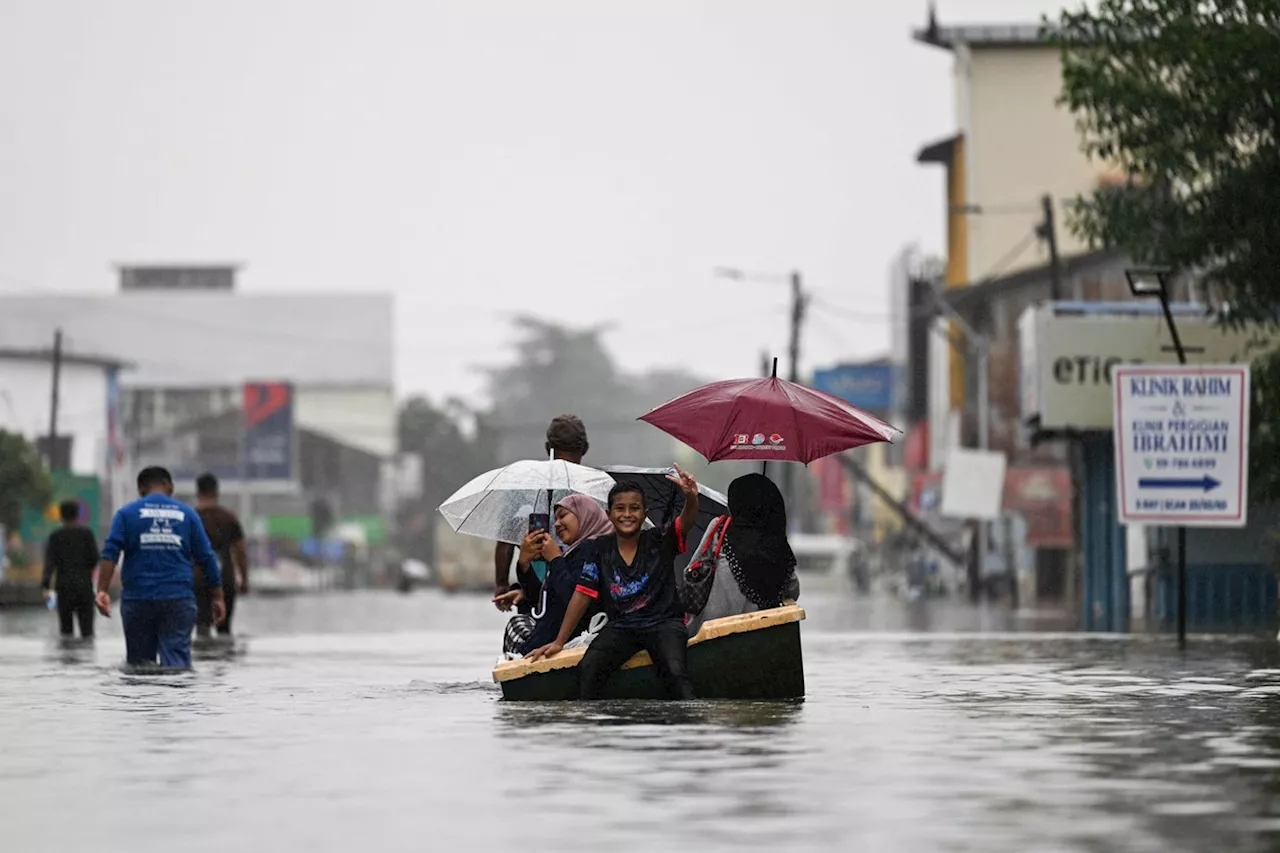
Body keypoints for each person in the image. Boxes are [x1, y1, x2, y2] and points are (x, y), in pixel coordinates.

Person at [528, 466, 700, 701]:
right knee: (588, 670)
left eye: (634, 509)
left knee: (675, 672)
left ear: (644, 513)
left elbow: (686, 521)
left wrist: (690, 496)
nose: (627, 514)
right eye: (620, 509)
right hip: (622, 626)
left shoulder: (660, 539)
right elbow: (582, 594)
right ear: (609, 514)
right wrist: (559, 641)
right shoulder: (599, 548)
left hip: (664, 624)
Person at [94, 466, 224, 669]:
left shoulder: (126, 515)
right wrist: (217, 596)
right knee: (177, 666)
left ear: (141, 489)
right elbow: (206, 557)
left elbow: (110, 553)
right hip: (178, 600)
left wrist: (101, 590)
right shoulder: (188, 515)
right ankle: (173, 699)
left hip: (138, 600)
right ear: (169, 486)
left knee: (140, 666)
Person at [493, 414, 589, 615]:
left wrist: (501, 583)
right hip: (579, 594)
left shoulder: (523, 487)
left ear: (548, 449)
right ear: (585, 449)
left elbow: (505, 541)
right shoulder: (593, 490)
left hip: (534, 591)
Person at [493, 494, 612, 656]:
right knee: (520, 622)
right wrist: (524, 563)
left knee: (516, 625)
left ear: (585, 516)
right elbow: (544, 601)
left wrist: (555, 559)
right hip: (555, 632)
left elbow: (574, 599)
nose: (557, 524)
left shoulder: (590, 550)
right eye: (555, 519)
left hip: (571, 637)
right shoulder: (575, 552)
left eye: (563, 516)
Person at [684, 473, 799, 637]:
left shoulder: (720, 528)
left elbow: (691, 571)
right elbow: (792, 589)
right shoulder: (777, 544)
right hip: (761, 632)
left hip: (712, 631)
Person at [193, 473, 249, 638]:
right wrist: (244, 579)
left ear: (197, 492)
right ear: (217, 492)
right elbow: (241, 551)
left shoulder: (190, 518)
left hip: (197, 579)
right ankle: (224, 662)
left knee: (202, 629)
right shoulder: (228, 518)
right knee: (224, 630)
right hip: (225, 579)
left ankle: (205, 662)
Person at [41, 500, 100, 639]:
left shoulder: (56, 536)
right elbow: (95, 557)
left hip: (63, 588)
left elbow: (50, 563)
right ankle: (88, 659)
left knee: (66, 632)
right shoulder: (87, 534)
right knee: (88, 632)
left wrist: (45, 585)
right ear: (78, 514)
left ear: (61, 515)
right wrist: (87, 571)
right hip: (84, 587)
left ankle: (67, 658)